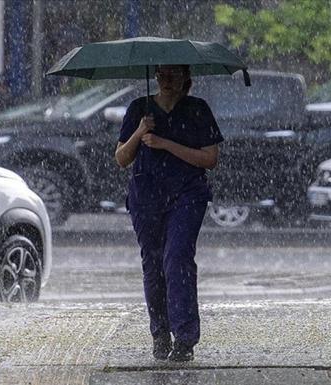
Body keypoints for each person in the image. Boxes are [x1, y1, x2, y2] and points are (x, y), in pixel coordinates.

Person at [114, 65, 223, 362]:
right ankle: (160, 333)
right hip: (146, 197)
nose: (166, 80)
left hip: (187, 194)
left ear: (185, 78)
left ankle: (185, 337)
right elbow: (122, 158)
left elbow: (209, 158)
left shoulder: (197, 109)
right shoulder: (140, 108)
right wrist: (140, 132)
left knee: (177, 257)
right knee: (153, 263)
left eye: (173, 75)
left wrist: (165, 144)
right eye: (161, 75)